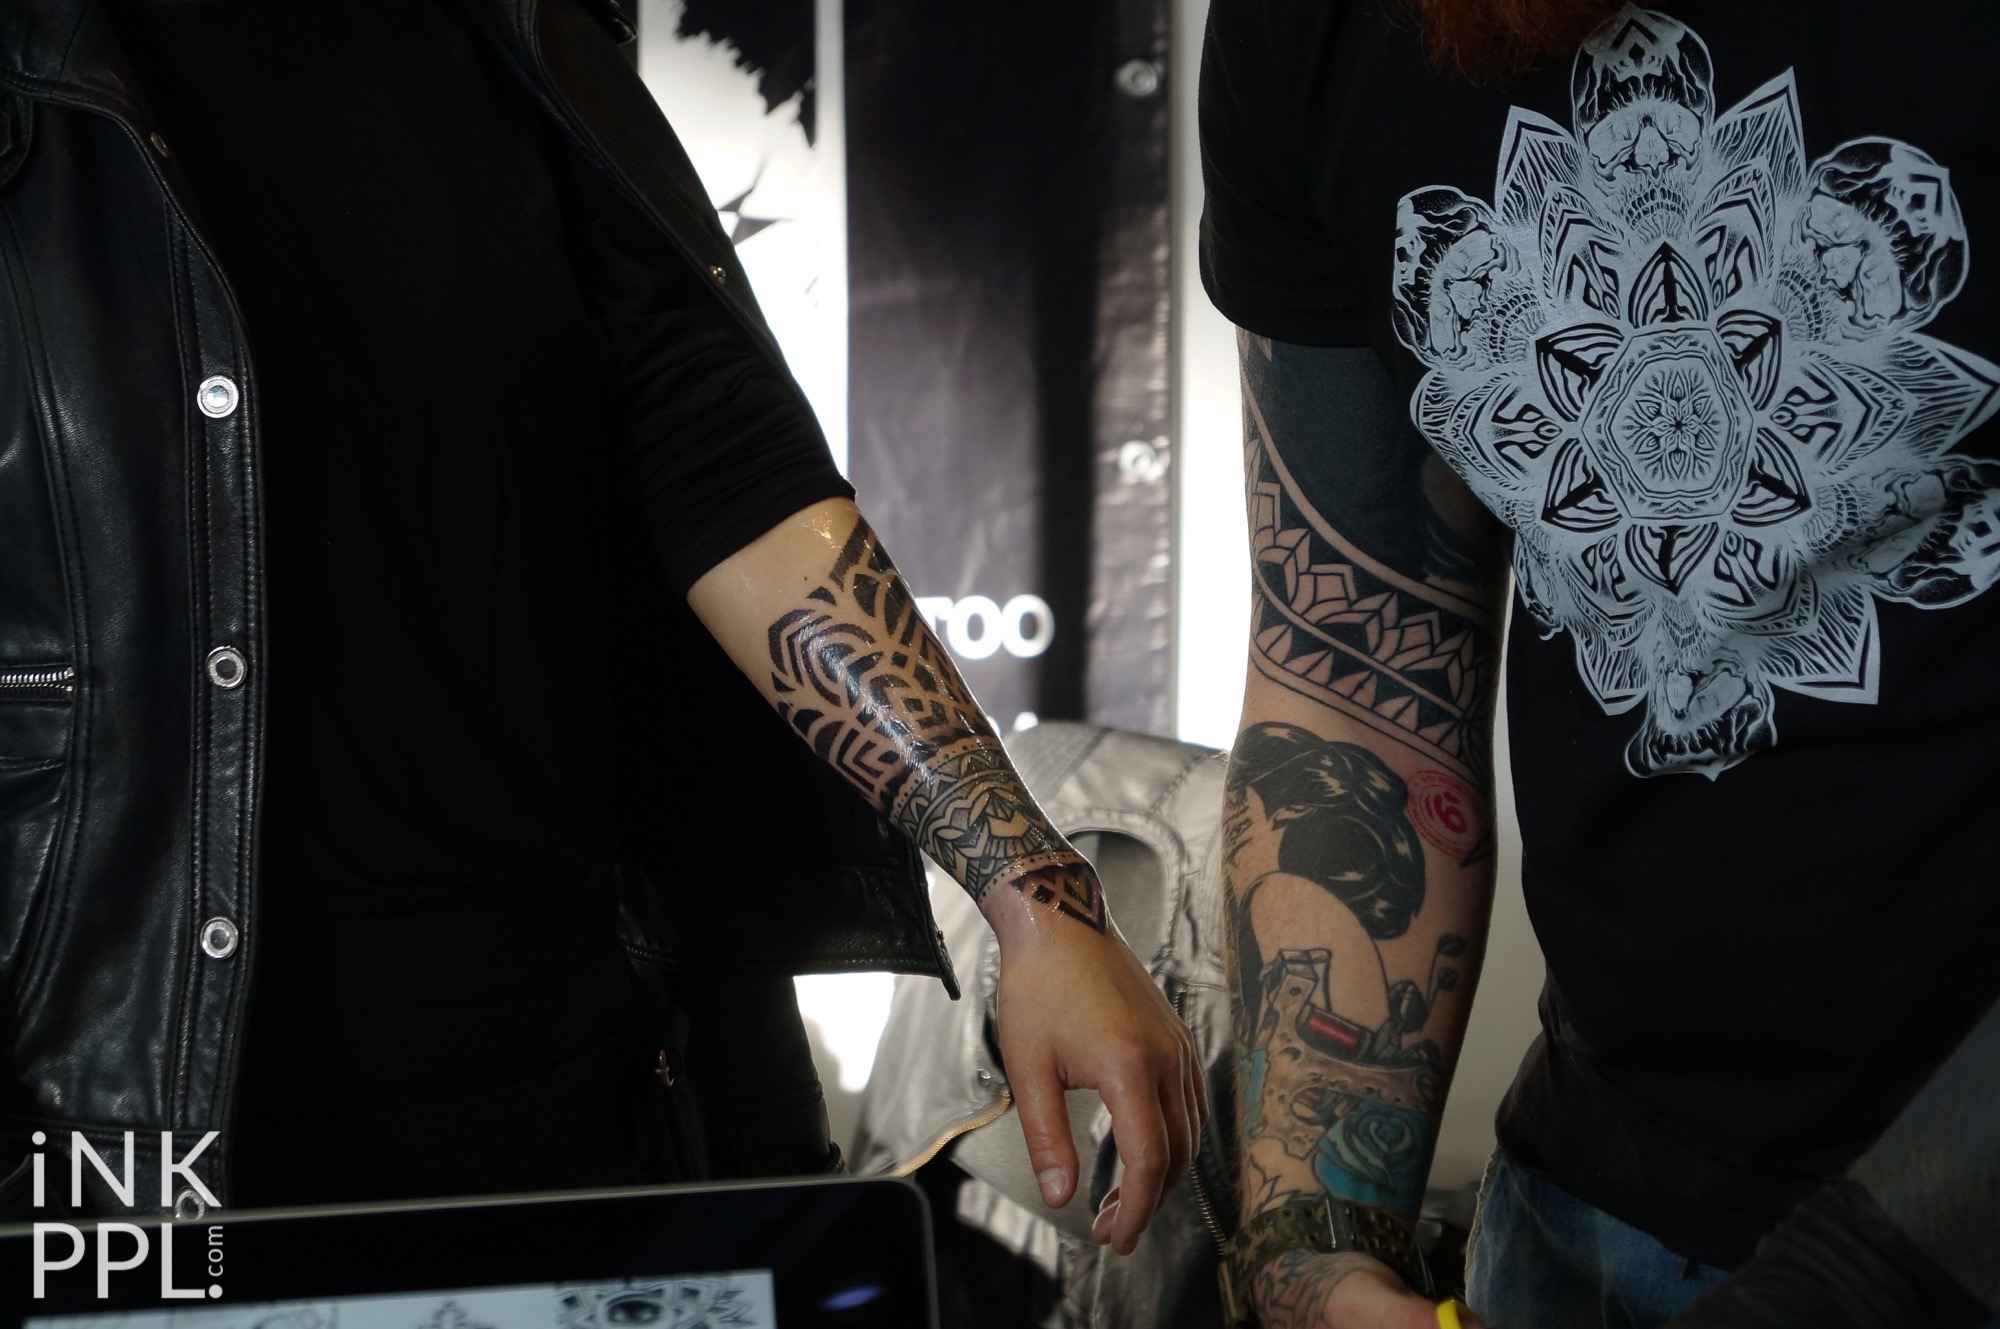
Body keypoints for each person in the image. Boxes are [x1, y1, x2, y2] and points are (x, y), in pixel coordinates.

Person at [0, 0, 1200, 1246]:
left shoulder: (518, 23)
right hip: (128, 1106)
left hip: (592, 1077)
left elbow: (725, 463)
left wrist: (1033, 897)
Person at [1197, 0, 2000, 1325]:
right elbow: (1354, 673)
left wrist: (1846, 1286)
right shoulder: (1314, 29)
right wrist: (1315, 1247)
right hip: (1581, 1227)